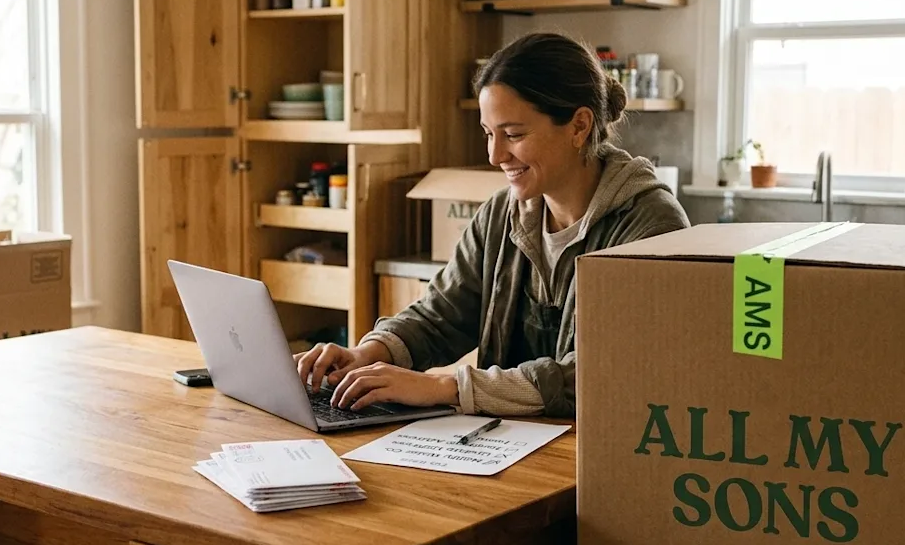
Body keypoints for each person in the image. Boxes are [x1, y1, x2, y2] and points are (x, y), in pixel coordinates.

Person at [295, 32, 691, 418]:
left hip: (602, 453)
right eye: (488, 134)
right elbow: (442, 315)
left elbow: (601, 370)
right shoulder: (501, 213)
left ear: (579, 126)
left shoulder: (651, 225)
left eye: (514, 135)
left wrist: (444, 387)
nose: (495, 155)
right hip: (510, 448)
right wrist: (368, 353)